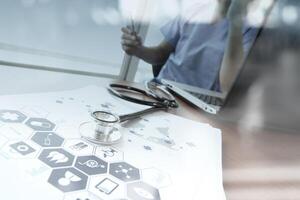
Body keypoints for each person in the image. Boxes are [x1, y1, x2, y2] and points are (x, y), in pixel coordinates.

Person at [121, 0, 259, 92]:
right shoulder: (196, 9)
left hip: (201, 103)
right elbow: (161, 54)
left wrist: (236, 21)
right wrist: (139, 50)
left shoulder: (249, 28)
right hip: (163, 89)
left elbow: (227, 86)